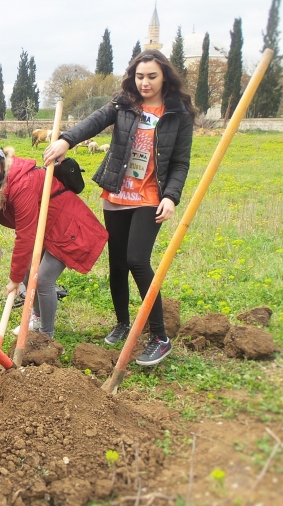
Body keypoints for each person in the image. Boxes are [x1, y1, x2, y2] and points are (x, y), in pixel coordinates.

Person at [43, 49, 196, 366]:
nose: (145, 82)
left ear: (164, 75)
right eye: (140, 76)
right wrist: (66, 140)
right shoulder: (124, 102)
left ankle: (159, 336)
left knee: (137, 259)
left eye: (152, 76)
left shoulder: (178, 113)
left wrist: (171, 196)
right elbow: (95, 121)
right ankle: (124, 323)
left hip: (151, 195)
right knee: (117, 263)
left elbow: (180, 163)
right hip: (117, 194)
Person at [0, 146, 108, 339]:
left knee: (43, 280)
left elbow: (25, 235)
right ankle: (38, 317)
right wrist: (19, 276)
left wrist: (13, 280)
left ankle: (46, 335)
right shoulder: (2, 181)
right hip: (47, 227)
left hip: (68, 229)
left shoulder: (23, 184)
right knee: (27, 272)